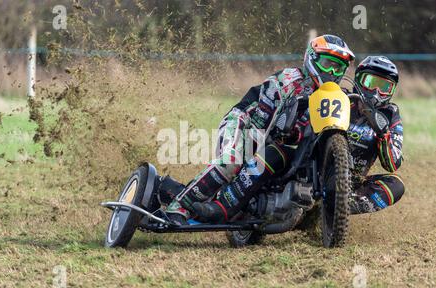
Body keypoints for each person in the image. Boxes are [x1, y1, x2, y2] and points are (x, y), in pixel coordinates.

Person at [165, 34, 356, 224]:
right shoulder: (288, 80)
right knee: (232, 160)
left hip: (276, 145)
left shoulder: (335, 97)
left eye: (338, 67)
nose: (331, 72)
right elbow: (260, 126)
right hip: (245, 122)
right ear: (312, 59)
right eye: (327, 63)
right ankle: (179, 206)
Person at [346, 56, 405, 214]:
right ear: (359, 80)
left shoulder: (390, 115)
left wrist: (382, 133)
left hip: (352, 182)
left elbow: (392, 164)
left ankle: (345, 207)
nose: (377, 92)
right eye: (371, 83)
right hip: (318, 170)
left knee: (396, 185)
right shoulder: (342, 99)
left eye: (385, 87)